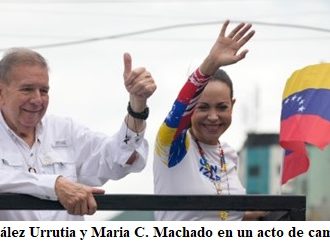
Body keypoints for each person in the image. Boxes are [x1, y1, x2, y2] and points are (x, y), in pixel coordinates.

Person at [0, 48, 156, 220]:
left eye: (44, 91)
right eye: (27, 89)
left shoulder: (65, 131)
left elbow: (118, 157)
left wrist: (137, 105)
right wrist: (54, 185)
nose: (37, 99)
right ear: (1, 93)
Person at [153, 20, 266, 220]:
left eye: (222, 107)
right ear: (191, 109)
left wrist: (255, 214)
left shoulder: (229, 154)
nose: (213, 117)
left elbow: (220, 216)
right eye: (203, 107)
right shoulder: (174, 147)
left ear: (232, 105)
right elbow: (179, 110)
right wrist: (209, 65)